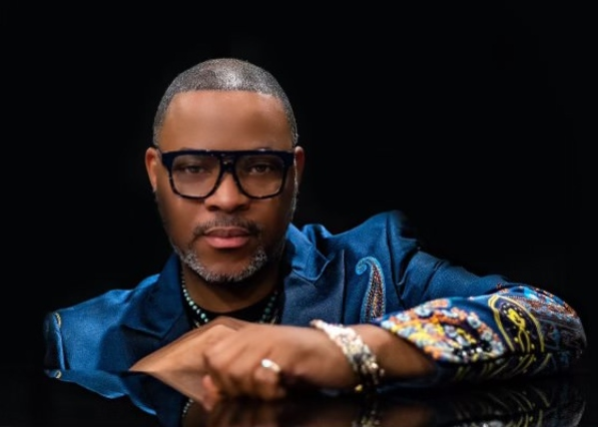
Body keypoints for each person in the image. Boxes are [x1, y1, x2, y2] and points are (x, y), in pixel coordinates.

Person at [43, 57, 586, 409]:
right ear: (155, 173)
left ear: (295, 172)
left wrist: (343, 349)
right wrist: (149, 377)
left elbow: (558, 323)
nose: (227, 198)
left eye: (259, 167)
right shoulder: (79, 337)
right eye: (192, 168)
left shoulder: (379, 267)